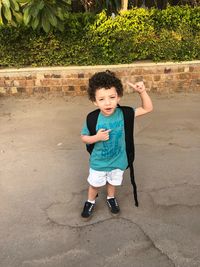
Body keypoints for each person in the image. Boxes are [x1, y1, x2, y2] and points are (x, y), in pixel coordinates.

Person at [80, 70, 153, 219]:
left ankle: (110, 198)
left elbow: (147, 108)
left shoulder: (124, 113)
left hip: (118, 160)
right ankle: (90, 201)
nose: (107, 102)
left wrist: (142, 92)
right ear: (94, 101)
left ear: (118, 96)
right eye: (101, 99)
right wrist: (96, 137)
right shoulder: (92, 118)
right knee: (95, 184)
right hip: (99, 162)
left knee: (113, 182)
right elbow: (84, 137)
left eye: (112, 97)